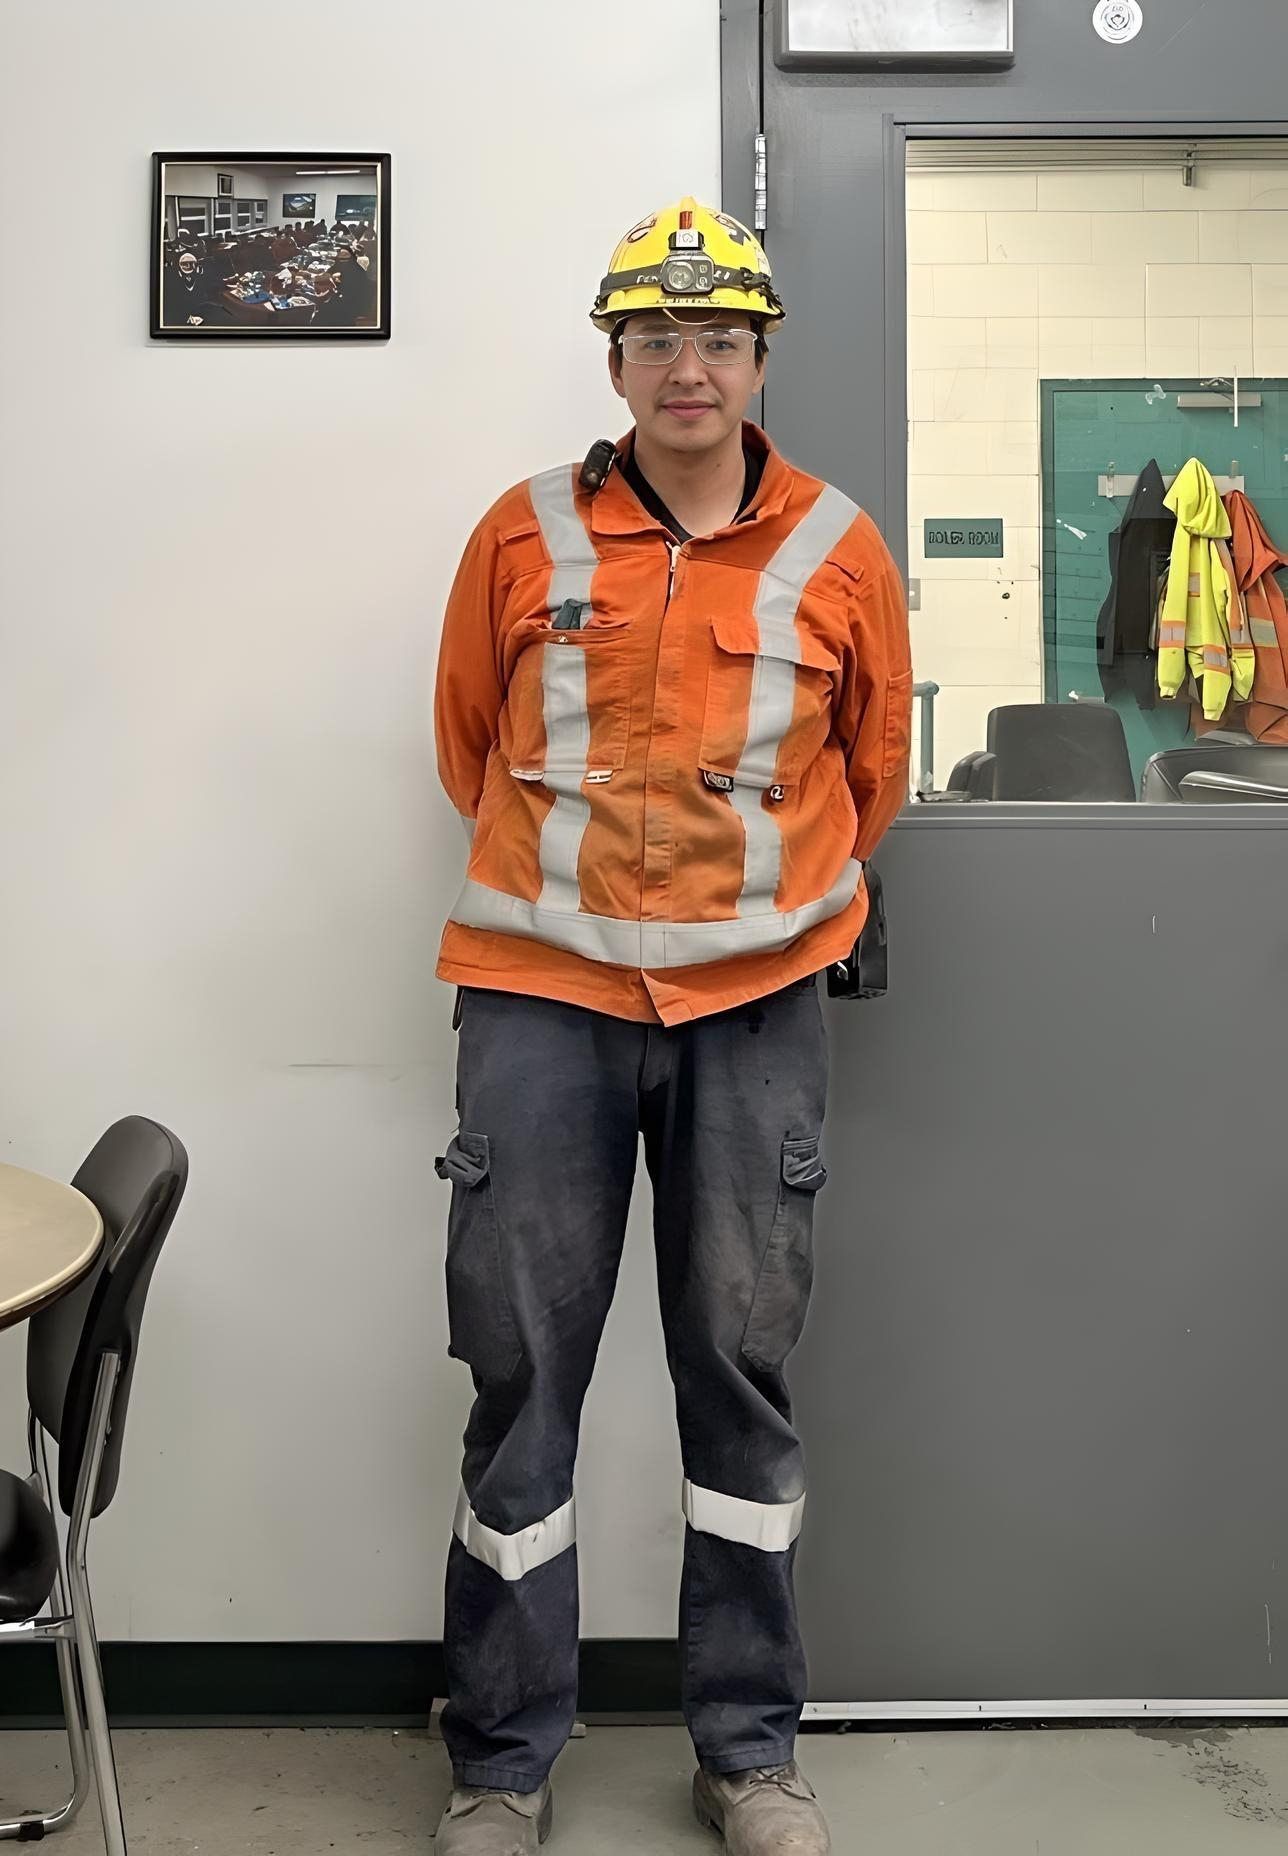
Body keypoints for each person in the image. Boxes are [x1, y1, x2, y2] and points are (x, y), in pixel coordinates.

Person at [431, 196, 912, 1855]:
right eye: (654, 338)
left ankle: (747, 1752)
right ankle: (501, 1763)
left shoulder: (842, 546)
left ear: (762, 358)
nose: (686, 366)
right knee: (519, 1376)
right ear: (616, 361)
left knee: (741, 1380)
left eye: (717, 338)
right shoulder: (519, 536)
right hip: (541, 1009)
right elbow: (469, 742)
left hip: (757, 1013)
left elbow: (874, 783)